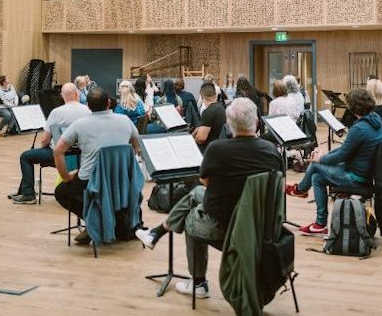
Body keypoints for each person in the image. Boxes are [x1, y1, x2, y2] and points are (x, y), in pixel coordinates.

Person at [134, 97, 281, 299]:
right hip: (261, 225)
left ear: (229, 125)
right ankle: (156, 233)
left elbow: (205, 182)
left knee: (190, 217)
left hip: (225, 227)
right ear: (256, 122)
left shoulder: (218, 149)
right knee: (195, 195)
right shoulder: (272, 151)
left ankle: (198, 283)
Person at [285, 88, 382, 236]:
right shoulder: (375, 119)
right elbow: (345, 150)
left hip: (356, 178)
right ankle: (319, 224)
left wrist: (320, 159)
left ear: (352, 107)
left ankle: (300, 190)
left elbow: (341, 156)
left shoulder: (359, 128)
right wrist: (325, 155)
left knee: (315, 166)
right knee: (317, 177)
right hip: (367, 173)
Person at [52, 87, 140, 245]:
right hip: (120, 180)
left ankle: (95, 221)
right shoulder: (125, 120)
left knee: (61, 192)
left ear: (88, 106)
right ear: (109, 103)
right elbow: (136, 146)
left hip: (91, 180)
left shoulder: (80, 124)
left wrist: (66, 177)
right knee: (109, 189)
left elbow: (58, 151)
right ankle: (109, 219)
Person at [9, 83, 90, 204]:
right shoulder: (88, 111)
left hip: (59, 154)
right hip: (82, 154)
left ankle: (28, 195)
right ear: (77, 94)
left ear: (62, 96)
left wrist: (43, 147)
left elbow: (45, 139)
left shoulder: (57, 112)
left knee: (25, 156)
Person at [194, 83, 226, 151]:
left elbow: (201, 139)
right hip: (219, 147)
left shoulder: (208, 112)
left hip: (209, 150)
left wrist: (192, 140)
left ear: (202, 96)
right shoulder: (221, 108)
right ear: (215, 95)